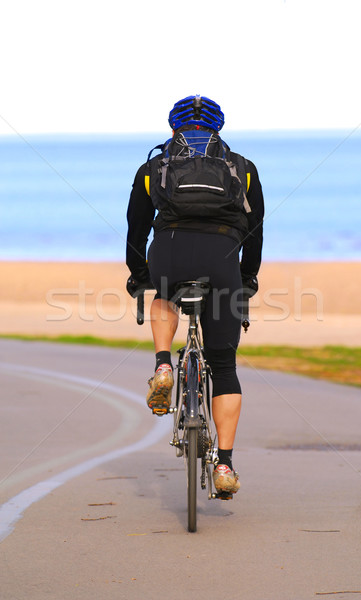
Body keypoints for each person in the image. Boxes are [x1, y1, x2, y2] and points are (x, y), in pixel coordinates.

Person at [126, 95, 264, 495]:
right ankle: (224, 465)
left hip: (169, 251)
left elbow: (136, 229)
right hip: (222, 258)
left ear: (173, 129)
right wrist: (246, 277)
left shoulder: (153, 168)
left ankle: (164, 366)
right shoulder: (243, 168)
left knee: (163, 293)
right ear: (219, 129)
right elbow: (255, 231)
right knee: (224, 367)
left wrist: (139, 274)